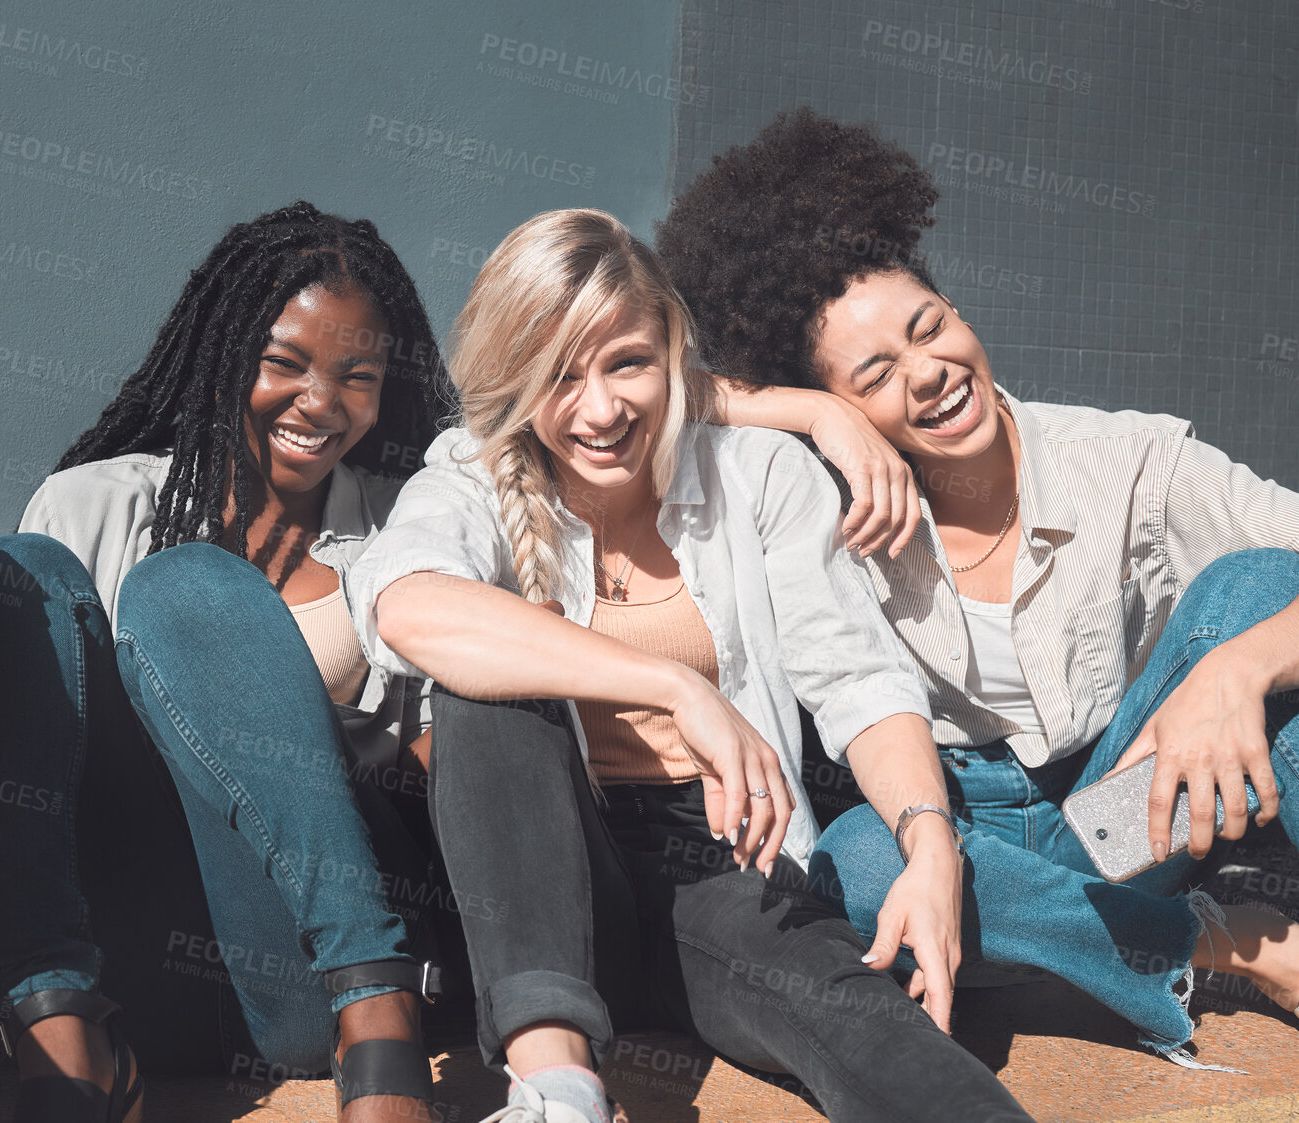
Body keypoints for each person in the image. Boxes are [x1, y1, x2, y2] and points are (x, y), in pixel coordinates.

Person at [346, 208, 1030, 1123]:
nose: (600, 409)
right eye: (559, 376)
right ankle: (557, 1092)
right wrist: (672, 685)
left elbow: (857, 679)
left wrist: (927, 839)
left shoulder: (757, 475)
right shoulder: (469, 478)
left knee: (848, 1009)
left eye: (627, 362)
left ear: (673, 351)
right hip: (537, 876)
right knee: (493, 693)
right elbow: (408, 603)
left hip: (716, 867)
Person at [656, 106, 1299, 1068]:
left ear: (960, 311)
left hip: (1131, 803)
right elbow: (649, 388)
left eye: (930, 328)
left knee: (1261, 585)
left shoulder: (1125, 459)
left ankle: (1062, 945)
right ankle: (1225, 940)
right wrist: (813, 418)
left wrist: (1232, 673)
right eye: (873, 375)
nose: (928, 373)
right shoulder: (816, 498)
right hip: (958, 840)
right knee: (851, 863)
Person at [0, 201, 453, 1123]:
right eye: (284, 363)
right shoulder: (94, 502)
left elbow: (441, 765)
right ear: (223, 350)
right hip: (123, 968)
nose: (321, 403)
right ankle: (57, 1021)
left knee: (187, 587)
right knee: (21, 571)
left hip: (302, 968)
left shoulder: (411, 522)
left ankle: (378, 1008)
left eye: (360, 375)